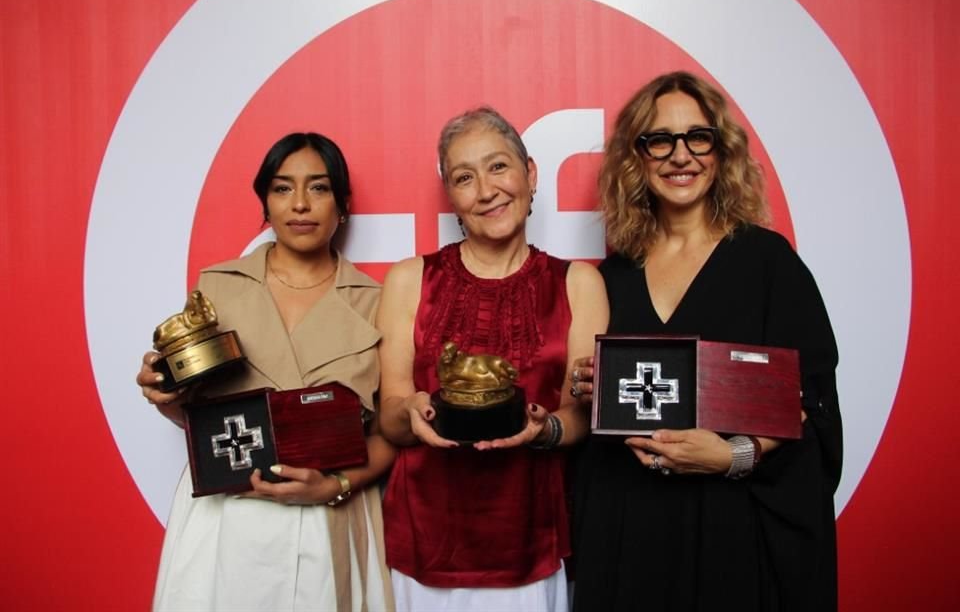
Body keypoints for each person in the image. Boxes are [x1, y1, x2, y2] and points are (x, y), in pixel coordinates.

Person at [569, 71, 842, 611]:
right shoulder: (614, 275)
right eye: (659, 140)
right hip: (634, 535)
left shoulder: (769, 263)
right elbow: (613, 413)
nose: (680, 156)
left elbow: (809, 406)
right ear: (636, 157)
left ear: (721, 151)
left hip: (733, 535)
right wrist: (592, 387)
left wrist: (731, 456)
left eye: (698, 137)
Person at [137, 132, 395, 611]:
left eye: (318, 188)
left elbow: (390, 433)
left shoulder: (377, 302)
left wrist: (336, 486)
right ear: (265, 201)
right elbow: (197, 420)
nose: (300, 204)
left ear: (343, 205)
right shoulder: (217, 287)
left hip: (329, 519)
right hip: (226, 522)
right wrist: (165, 393)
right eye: (282, 188)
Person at [376, 107, 609, 612]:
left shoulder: (579, 284)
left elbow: (584, 417)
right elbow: (390, 417)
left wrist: (545, 429)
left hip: (530, 539)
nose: (486, 190)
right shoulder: (408, 280)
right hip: (423, 544)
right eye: (464, 177)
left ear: (530, 175)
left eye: (498, 167)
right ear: (452, 199)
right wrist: (411, 414)